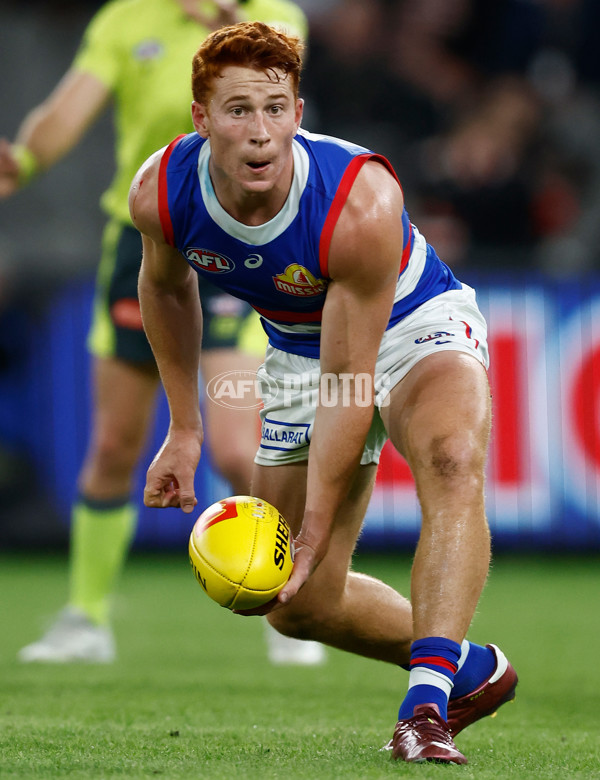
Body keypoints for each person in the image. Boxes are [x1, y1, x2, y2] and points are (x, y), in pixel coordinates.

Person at [131, 20, 519, 765]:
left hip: (415, 322)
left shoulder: (357, 202)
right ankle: (466, 667)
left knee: (452, 457)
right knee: (296, 603)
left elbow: (352, 382)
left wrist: (313, 522)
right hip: (301, 354)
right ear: (200, 118)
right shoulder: (161, 191)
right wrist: (184, 428)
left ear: (299, 115)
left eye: (276, 109)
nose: (260, 133)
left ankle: (425, 709)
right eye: (238, 110)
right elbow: (165, 288)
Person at [1, 0, 324, 667]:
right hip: (143, 237)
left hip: (239, 235)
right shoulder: (128, 18)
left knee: (239, 445)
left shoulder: (270, 15)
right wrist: (24, 160)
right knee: (117, 442)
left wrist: (223, 31)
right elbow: (68, 108)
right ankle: (86, 619)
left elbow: (273, 103)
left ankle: (283, 603)